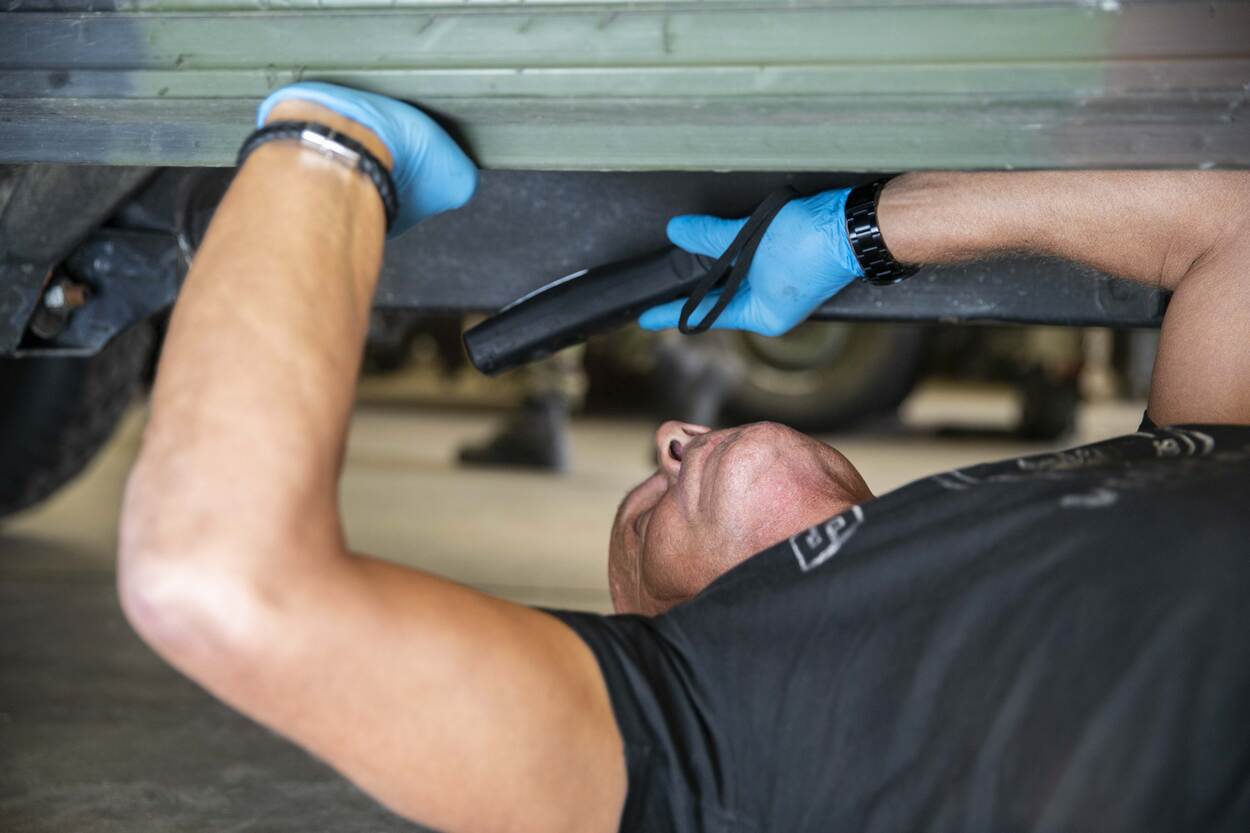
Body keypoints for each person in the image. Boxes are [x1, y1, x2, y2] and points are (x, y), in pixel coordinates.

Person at [117, 83, 1250, 833]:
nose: (671, 438)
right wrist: (327, 148)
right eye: (639, 518)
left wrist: (859, 231)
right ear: (643, 635)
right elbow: (213, 582)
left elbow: (1229, 227)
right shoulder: (696, 744)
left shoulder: (1141, 470)